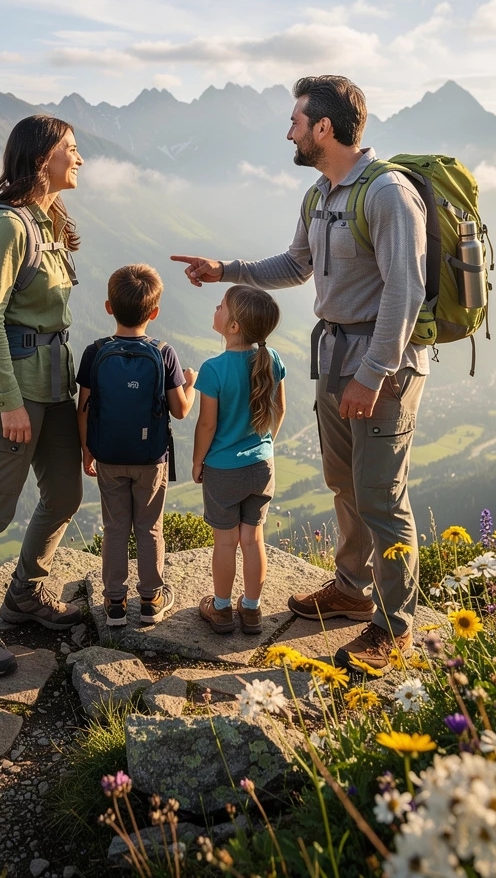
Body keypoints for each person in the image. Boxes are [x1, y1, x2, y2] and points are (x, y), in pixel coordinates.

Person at [172, 75, 427, 672]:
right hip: (335, 355)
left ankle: (395, 627)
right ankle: (351, 588)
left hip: (378, 362)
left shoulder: (386, 193)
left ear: (324, 128)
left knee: (383, 497)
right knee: (344, 481)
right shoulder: (320, 193)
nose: (288, 130)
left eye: (295, 121)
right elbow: (296, 264)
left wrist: (374, 372)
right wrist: (224, 270)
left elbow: (404, 291)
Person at [0, 115, 85, 678]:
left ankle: (24, 594)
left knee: (65, 495)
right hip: (11, 390)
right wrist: (7, 402)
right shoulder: (7, 227)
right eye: (71, 151)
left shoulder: (48, 221)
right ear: (41, 161)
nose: (79, 161)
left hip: (52, 388)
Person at [76, 264, 197, 627]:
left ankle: (114, 603)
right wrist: (191, 383)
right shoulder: (164, 353)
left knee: (115, 528)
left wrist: (87, 450)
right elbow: (179, 410)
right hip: (150, 459)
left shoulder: (94, 352)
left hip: (109, 457)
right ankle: (151, 600)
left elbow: (83, 408)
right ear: (154, 313)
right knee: (149, 527)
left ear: (109, 307)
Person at [193, 285, 285, 636]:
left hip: (223, 470)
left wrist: (198, 461)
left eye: (222, 307)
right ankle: (251, 610)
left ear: (233, 327)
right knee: (253, 540)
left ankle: (220, 609)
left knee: (226, 543)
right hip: (262, 467)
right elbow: (279, 410)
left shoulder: (213, 369)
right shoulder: (272, 359)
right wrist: (264, 446)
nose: (216, 308)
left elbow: (207, 424)